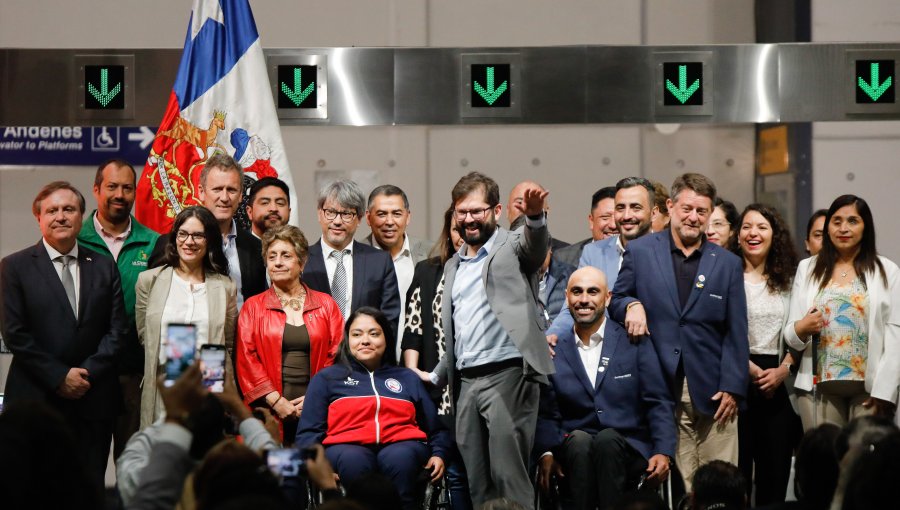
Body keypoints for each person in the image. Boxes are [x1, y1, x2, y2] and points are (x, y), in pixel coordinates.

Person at [609, 173, 749, 491]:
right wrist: (632, 305)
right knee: (680, 488)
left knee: (722, 484)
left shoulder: (726, 263)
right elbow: (615, 301)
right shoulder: (641, 252)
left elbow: (737, 330)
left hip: (716, 394)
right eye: (687, 209)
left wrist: (734, 386)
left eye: (702, 211)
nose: (693, 217)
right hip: (660, 389)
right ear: (670, 206)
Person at [430, 172, 554, 508]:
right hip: (466, 382)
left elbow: (535, 246)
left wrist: (534, 218)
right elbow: (459, 331)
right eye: (462, 212)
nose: (469, 219)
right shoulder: (454, 264)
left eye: (477, 211)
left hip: (509, 374)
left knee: (509, 478)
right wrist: (436, 375)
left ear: (496, 211)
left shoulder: (512, 246)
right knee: (478, 484)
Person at [0, 181, 127, 492]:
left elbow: (117, 330)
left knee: (89, 487)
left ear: (81, 215)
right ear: (39, 218)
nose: (60, 216)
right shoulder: (13, 267)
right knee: (33, 490)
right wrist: (59, 377)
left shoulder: (103, 265)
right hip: (36, 399)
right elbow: (14, 334)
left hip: (93, 398)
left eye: (68, 209)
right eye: (52, 210)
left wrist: (85, 375)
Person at [536, 267, 676, 510]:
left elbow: (658, 401)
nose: (584, 300)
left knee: (607, 440)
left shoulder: (634, 341)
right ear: (567, 297)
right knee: (580, 441)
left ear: (608, 298)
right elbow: (547, 413)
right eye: (577, 292)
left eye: (593, 292)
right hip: (574, 452)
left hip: (628, 447)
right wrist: (546, 453)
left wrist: (663, 451)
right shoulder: (554, 351)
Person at [297, 307, 449, 510]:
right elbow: (308, 434)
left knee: (399, 459)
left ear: (386, 338)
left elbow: (436, 429)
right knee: (355, 460)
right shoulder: (327, 378)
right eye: (356, 334)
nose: (365, 340)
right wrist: (318, 468)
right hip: (345, 448)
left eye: (374, 334)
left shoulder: (407, 378)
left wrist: (439, 454)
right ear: (347, 340)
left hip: (404, 445)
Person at [784, 194, 900, 430]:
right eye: (836, 222)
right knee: (824, 465)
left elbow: (895, 335)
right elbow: (790, 333)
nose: (843, 228)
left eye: (852, 221)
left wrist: (885, 391)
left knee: (862, 465)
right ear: (827, 228)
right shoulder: (808, 268)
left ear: (865, 226)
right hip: (818, 390)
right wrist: (802, 328)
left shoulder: (887, 270)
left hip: (869, 390)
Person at [77, 158, 159, 458]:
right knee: (85, 466)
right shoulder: (74, 240)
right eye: (112, 186)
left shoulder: (153, 243)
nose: (120, 195)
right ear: (97, 189)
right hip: (85, 375)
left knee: (132, 466)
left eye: (127, 188)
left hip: (133, 374)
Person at [236, 225, 344, 444]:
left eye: (286, 255)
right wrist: (276, 402)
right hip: (268, 409)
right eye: (272, 256)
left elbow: (337, 355)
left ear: (301, 263)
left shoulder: (326, 304)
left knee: (313, 470)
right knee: (274, 473)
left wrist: (316, 398)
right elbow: (247, 359)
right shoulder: (252, 307)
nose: (277, 262)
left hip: (317, 407)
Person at [135, 206, 238, 428]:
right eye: (183, 233)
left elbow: (227, 344)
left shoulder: (225, 287)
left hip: (208, 390)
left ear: (209, 240)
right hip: (163, 387)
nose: (189, 241)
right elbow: (145, 336)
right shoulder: (149, 281)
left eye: (198, 235)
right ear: (175, 237)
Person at [730, 204, 801, 505]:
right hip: (737, 380)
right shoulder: (726, 275)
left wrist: (784, 368)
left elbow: (802, 332)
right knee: (738, 476)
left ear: (775, 235)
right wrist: (743, 365)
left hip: (780, 383)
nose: (753, 233)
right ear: (737, 236)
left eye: (761, 227)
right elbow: (716, 330)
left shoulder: (792, 279)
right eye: (747, 227)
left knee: (775, 475)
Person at [402, 205, 471, 510]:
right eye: (457, 229)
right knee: (452, 468)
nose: (463, 236)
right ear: (449, 231)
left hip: (478, 383)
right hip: (437, 387)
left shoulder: (492, 271)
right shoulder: (428, 270)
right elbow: (413, 326)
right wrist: (411, 373)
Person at [149, 153, 268, 310]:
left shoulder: (256, 247)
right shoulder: (170, 244)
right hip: (187, 333)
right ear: (201, 192)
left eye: (231, 190)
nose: (224, 197)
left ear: (240, 196)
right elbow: (153, 303)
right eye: (217, 189)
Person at [303, 179, 402, 361]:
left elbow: (389, 322)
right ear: (319, 214)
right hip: (314, 364)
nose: (338, 221)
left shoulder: (379, 261)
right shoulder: (301, 261)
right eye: (331, 212)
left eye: (347, 214)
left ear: (359, 219)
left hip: (367, 365)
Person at [546, 177, 655, 340]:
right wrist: (553, 336)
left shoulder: (667, 251)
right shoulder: (594, 252)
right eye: (620, 208)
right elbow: (571, 307)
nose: (626, 215)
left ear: (653, 213)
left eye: (635, 208)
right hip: (606, 351)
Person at [362, 184, 432, 357]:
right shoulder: (355, 256)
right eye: (381, 214)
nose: (389, 222)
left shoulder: (431, 254)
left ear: (408, 217)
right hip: (370, 361)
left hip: (419, 363)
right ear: (368, 218)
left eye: (397, 213)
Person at [554, 186, 617, 268]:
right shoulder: (564, 258)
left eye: (618, 218)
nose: (613, 225)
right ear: (591, 221)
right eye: (605, 218)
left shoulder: (636, 255)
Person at [508, 180, 569, 250]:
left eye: (535, 204)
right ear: (507, 210)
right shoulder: (495, 250)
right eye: (519, 202)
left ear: (547, 211)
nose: (527, 209)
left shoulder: (567, 254)